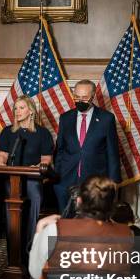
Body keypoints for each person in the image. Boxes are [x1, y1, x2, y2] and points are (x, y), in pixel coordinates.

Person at [54, 79, 120, 212]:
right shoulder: (65, 118)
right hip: (66, 179)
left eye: (84, 98)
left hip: (95, 182)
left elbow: (112, 152)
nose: (80, 101)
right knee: (66, 222)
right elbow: (60, 148)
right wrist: (57, 174)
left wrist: (113, 181)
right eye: (76, 97)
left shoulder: (106, 118)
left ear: (93, 96)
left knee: (91, 223)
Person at [0, 95, 54, 241]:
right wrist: (2, 164)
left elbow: (46, 159)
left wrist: (41, 166)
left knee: (32, 210)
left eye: (21, 108)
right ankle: (13, 250)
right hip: (12, 180)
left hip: (33, 179)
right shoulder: (8, 132)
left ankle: (31, 246)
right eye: (15, 108)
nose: (17, 111)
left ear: (31, 111)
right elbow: (3, 155)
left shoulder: (42, 133)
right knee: (12, 215)